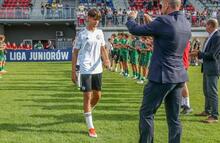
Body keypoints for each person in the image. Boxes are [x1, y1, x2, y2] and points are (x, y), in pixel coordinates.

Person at [126, 0, 191, 142]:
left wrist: (131, 18)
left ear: (167, 4)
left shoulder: (163, 21)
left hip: (162, 76)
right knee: (174, 119)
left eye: (161, 5)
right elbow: (167, 37)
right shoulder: (186, 23)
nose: (160, 7)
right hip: (178, 76)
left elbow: (135, 30)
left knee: (147, 113)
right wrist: (153, 24)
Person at [72, 8, 110, 138]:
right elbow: (75, 53)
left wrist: (107, 60)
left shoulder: (100, 32)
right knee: (87, 96)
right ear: (88, 18)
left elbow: (102, 48)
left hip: (97, 69)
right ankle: (91, 127)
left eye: (98, 19)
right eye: (94, 19)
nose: (96, 22)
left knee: (98, 96)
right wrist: (73, 72)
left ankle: (87, 111)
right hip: (85, 68)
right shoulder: (81, 34)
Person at [191, 18, 220, 123]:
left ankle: (215, 115)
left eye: (206, 25)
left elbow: (213, 55)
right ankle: (207, 111)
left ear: (211, 25)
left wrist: (198, 53)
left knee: (212, 92)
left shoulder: (217, 37)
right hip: (207, 67)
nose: (205, 26)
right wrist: (199, 52)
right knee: (206, 91)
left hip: (213, 68)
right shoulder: (211, 36)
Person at [181, 41, 193, 115]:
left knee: (183, 85)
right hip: (182, 64)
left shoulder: (184, 41)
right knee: (181, 85)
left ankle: (187, 106)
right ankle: (183, 104)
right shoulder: (185, 40)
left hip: (182, 64)